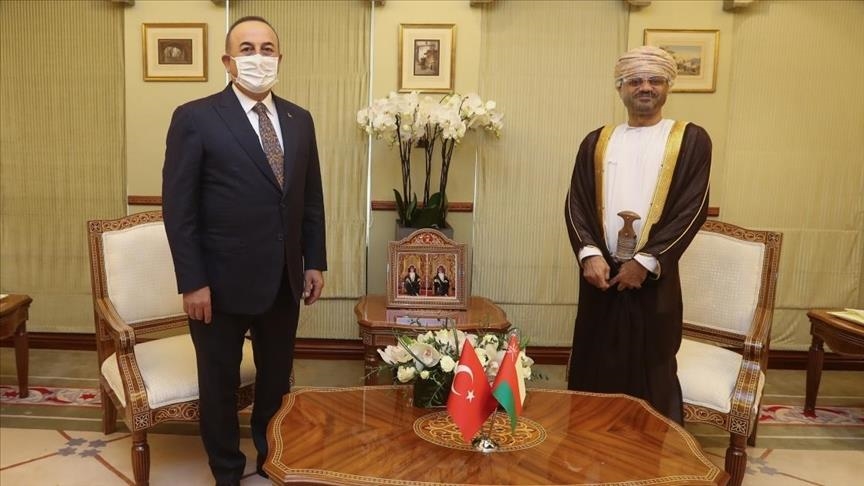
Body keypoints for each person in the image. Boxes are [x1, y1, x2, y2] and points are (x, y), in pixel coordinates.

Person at [162, 16, 326, 486]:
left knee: (276, 381)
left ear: (280, 57)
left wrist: (314, 261)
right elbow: (179, 209)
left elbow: (310, 198)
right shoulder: (195, 117)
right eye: (247, 49)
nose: (258, 57)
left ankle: (272, 459)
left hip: (283, 279)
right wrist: (192, 281)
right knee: (219, 384)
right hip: (217, 284)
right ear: (228, 60)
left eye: (267, 48)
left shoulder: (299, 119)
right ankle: (227, 470)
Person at [564, 45, 711, 424]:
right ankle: (589, 444)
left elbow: (691, 208)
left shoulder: (690, 139)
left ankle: (651, 448)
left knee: (653, 365)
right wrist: (589, 254)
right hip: (600, 276)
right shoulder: (596, 141)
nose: (645, 87)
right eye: (635, 81)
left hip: (653, 277)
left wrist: (645, 263)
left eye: (654, 80)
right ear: (620, 88)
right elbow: (576, 202)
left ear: (668, 86)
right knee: (594, 360)